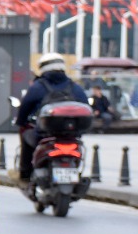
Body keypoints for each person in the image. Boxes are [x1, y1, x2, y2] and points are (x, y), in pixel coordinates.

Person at [14, 53, 88, 184]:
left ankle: (25, 173)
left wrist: (21, 122)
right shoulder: (75, 87)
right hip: (72, 136)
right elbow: (85, 106)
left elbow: (25, 107)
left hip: (44, 135)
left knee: (25, 133)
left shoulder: (38, 87)